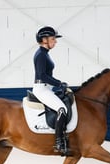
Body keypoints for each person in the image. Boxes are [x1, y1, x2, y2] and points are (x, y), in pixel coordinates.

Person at [33, 26, 69, 155]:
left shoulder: (44, 54)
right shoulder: (41, 55)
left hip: (47, 88)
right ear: (44, 40)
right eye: (53, 39)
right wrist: (58, 83)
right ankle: (59, 142)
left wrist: (58, 84)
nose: (56, 41)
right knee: (62, 109)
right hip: (41, 89)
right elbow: (42, 75)